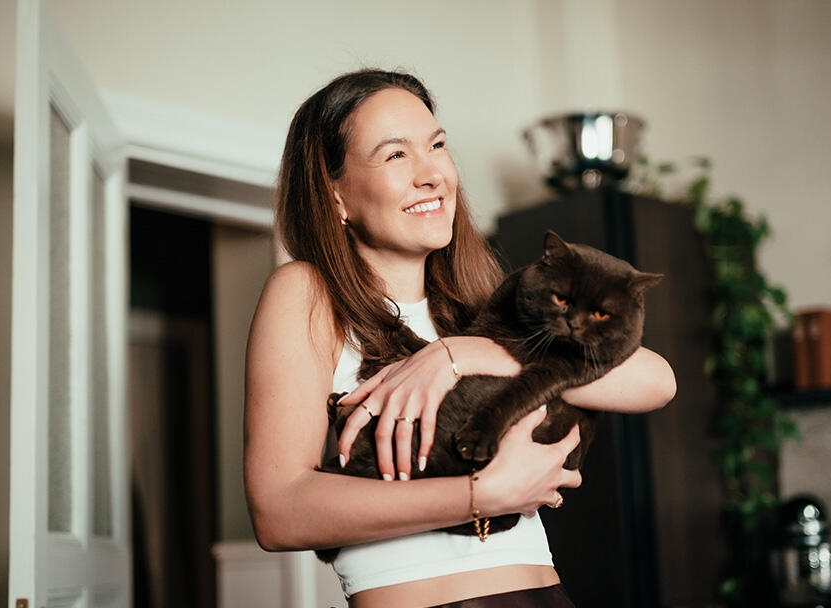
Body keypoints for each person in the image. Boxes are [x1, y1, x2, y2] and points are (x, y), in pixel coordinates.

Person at [243, 68, 676, 608]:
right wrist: (482, 495)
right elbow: (278, 512)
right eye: (396, 155)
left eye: (437, 145)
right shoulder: (307, 293)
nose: (432, 174)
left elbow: (656, 380)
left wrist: (463, 351)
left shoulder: (481, 305)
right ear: (335, 196)